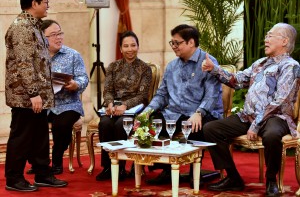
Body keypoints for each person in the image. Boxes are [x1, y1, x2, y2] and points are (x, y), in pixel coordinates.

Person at [202, 23, 300, 196]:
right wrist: (214, 69)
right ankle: (233, 178)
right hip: (248, 116)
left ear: (284, 41)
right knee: (211, 129)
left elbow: (280, 101)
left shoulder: (290, 66)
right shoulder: (260, 64)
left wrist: (256, 124)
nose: (266, 39)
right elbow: (237, 81)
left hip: (275, 118)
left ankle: (271, 181)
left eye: (270, 35)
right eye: (266, 35)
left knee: (271, 135)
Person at [141, 24, 224, 187]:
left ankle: (195, 174)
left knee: (194, 125)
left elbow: (212, 94)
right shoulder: (172, 66)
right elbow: (162, 95)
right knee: (153, 122)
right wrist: (147, 111)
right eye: (172, 43)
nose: (174, 47)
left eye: (177, 43)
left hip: (201, 114)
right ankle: (165, 170)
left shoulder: (208, 62)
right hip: (174, 113)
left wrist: (200, 112)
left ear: (191, 42)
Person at [4, 0, 68, 192]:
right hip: (26, 96)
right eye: (46, 1)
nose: (48, 4)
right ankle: (14, 178)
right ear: (34, 4)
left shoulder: (35, 26)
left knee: (40, 136)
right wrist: (33, 93)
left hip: (38, 95)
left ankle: (43, 173)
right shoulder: (22, 27)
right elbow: (24, 64)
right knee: (21, 137)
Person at [26, 19, 89, 175]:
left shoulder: (73, 55)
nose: (58, 37)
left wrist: (76, 84)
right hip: (45, 104)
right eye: (53, 35)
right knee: (27, 121)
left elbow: (84, 78)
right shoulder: (36, 57)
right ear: (42, 37)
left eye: (60, 33)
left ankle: (57, 159)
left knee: (61, 125)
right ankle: (37, 162)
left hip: (69, 104)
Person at [96, 31, 152, 181]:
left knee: (122, 124)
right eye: (126, 46)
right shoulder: (113, 66)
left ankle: (120, 167)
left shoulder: (145, 69)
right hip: (114, 107)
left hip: (134, 108)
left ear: (138, 47)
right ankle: (108, 167)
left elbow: (142, 96)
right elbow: (107, 91)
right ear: (120, 48)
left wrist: (125, 106)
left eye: (133, 45)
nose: (130, 49)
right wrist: (109, 104)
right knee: (105, 123)